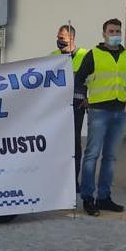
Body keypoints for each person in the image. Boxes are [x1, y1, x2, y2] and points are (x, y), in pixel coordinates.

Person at [75, 18, 126, 217]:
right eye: (111, 31)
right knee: (92, 154)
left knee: (110, 157)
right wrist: (84, 98)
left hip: (119, 112)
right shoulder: (94, 55)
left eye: (118, 31)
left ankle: (104, 197)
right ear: (104, 34)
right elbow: (79, 78)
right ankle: (88, 198)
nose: (115, 34)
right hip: (99, 111)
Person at [52, 24, 89, 183]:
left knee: (74, 144)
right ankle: (58, 180)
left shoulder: (85, 55)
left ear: (71, 38)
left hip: (77, 105)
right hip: (57, 107)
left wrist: (89, 98)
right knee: (58, 144)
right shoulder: (53, 56)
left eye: (62, 38)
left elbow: (93, 79)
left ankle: (73, 182)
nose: (58, 40)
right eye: (58, 37)